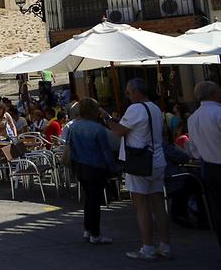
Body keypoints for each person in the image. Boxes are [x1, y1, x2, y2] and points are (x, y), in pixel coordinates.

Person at [105, 78, 169, 261]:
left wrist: (108, 120)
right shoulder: (155, 108)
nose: (127, 95)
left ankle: (147, 248)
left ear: (137, 92)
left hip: (140, 163)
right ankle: (165, 245)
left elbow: (118, 132)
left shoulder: (135, 109)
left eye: (128, 92)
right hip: (157, 159)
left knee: (141, 206)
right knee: (158, 204)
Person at [68, 97, 117, 244]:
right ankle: (95, 233)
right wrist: (113, 169)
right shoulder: (98, 129)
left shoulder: (73, 127)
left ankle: (87, 229)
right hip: (96, 167)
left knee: (88, 199)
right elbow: (106, 152)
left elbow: (71, 146)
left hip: (80, 165)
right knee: (95, 201)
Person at [187, 80, 221, 246]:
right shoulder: (218, 113)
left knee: (217, 208)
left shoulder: (193, 118)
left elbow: (193, 148)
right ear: (214, 94)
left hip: (208, 166)